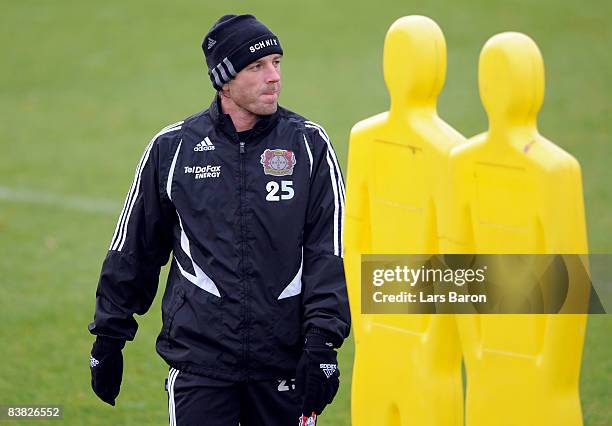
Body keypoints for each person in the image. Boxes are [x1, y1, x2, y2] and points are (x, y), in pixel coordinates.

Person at [88, 14, 351, 426]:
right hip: (201, 368)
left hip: (283, 364)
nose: (274, 77)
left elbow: (329, 253)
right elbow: (134, 249)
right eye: (257, 67)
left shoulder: (309, 145)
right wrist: (108, 337)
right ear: (224, 80)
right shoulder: (172, 149)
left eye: (277, 63)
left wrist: (322, 343)